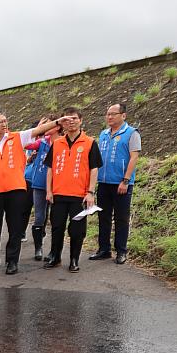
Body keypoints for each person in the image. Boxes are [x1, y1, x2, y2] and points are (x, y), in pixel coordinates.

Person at [0, 112, 71, 274]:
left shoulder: (18, 137)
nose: (4, 124)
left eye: (5, 121)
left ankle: (12, 261)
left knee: (15, 227)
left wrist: (58, 122)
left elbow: (39, 130)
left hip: (15, 190)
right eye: (0, 122)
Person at [43, 107, 102, 272]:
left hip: (79, 196)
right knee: (57, 227)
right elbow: (50, 169)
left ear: (81, 120)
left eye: (74, 118)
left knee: (77, 231)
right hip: (59, 194)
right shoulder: (57, 143)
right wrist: (49, 190)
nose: (71, 122)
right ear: (63, 123)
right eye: (67, 119)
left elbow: (94, 169)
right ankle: (55, 256)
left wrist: (90, 192)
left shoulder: (90, 143)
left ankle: (74, 259)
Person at [90, 103, 142, 265]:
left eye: (113, 114)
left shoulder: (131, 133)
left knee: (121, 218)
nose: (109, 117)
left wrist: (125, 180)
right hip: (104, 183)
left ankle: (121, 251)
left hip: (121, 183)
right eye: (107, 114)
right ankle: (104, 249)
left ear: (123, 115)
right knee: (103, 217)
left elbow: (134, 158)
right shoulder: (104, 134)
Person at [27, 114, 59, 261]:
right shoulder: (42, 142)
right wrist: (38, 129)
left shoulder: (63, 143)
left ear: (57, 127)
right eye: (43, 125)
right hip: (40, 185)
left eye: (48, 125)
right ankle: (38, 248)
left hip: (58, 187)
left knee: (55, 218)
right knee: (39, 216)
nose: (45, 127)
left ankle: (54, 251)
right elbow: (26, 143)